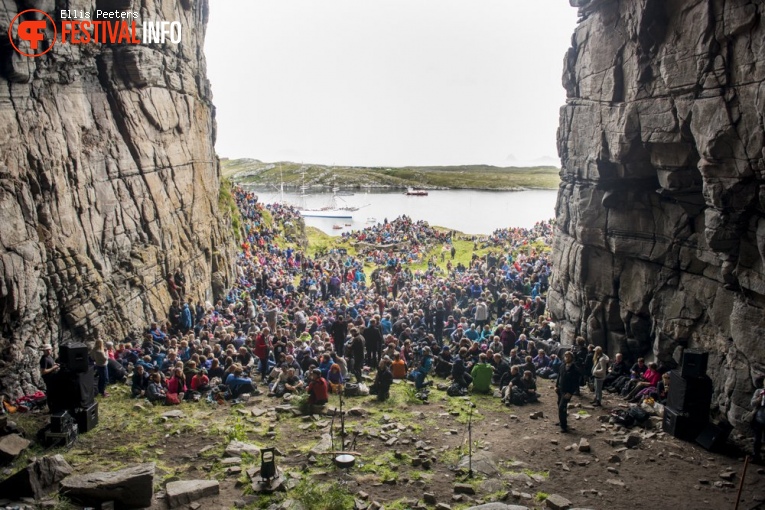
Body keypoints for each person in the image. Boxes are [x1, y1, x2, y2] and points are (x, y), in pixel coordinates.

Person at [555, 351, 580, 433]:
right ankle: (561, 421)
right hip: (560, 389)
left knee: (562, 407)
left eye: (568, 357)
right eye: (565, 356)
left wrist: (570, 392)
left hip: (567, 391)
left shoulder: (575, 369)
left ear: (572, 358)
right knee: (560, 405)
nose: (566, 358)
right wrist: (556, 386)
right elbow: (559, 376)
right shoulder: (562, 365)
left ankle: (564, 426)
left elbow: (576, 382)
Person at [751, 376, 765, 463]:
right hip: (759, 418)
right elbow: (752, 403)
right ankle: (756, 456)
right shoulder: (759, 391)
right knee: (757, 439)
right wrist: (758, 399)